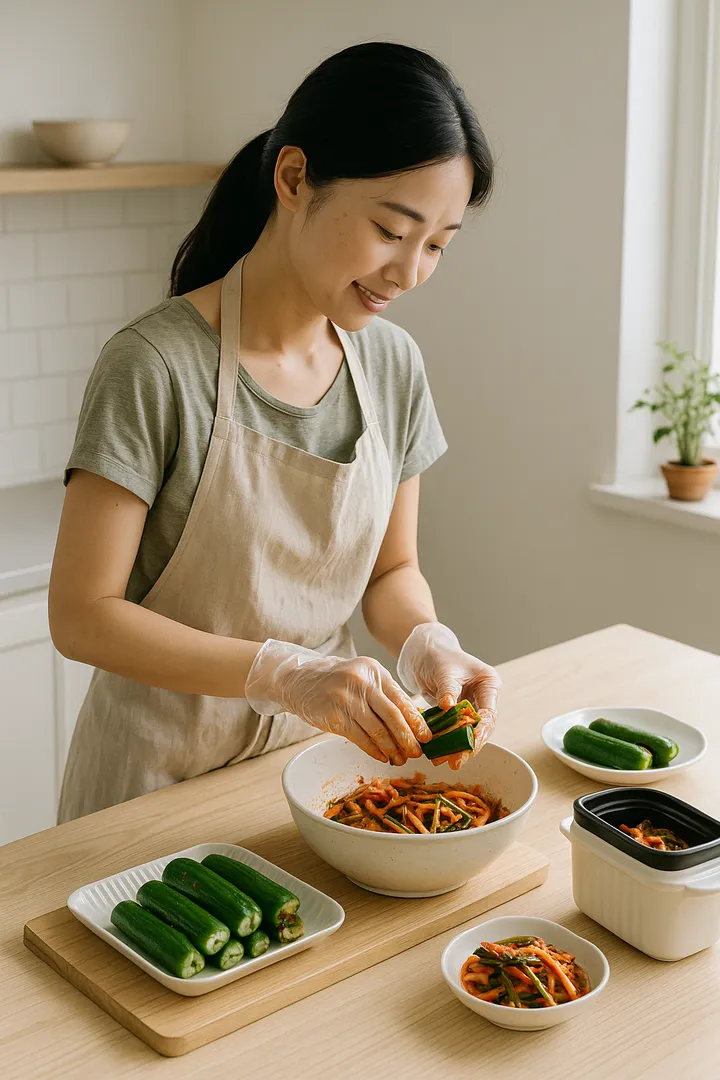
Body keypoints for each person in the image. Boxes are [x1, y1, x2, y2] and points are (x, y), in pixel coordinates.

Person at [49, 41, 501, 824]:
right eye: (392, 230)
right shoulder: (155, 365)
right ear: (294, 180)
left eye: (436, 245)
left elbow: (391, 572)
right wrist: (282, 671)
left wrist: (428, 638)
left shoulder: (392, 366)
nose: (409, 273)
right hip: (148, 789)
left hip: (310, 780)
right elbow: (82, 614)